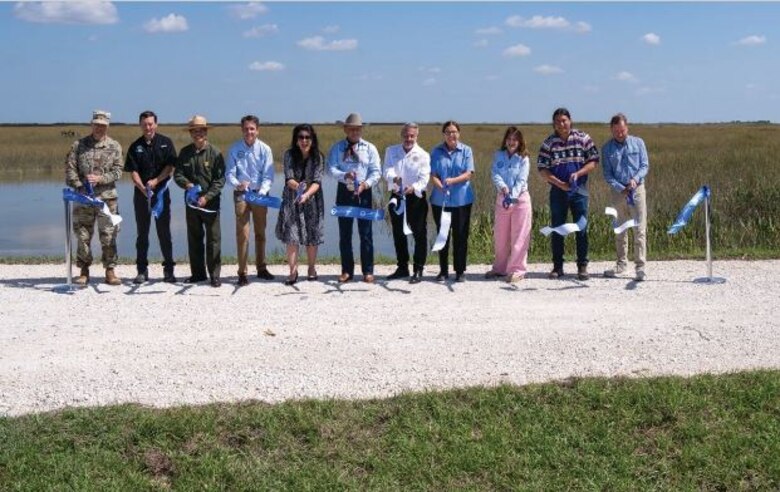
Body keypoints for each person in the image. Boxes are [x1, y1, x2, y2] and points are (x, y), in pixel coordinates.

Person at [537, 107, 599, 280]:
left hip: (579, 190)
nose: (561, 124)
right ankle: (557, 266)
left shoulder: (583, 138)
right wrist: (559, 183)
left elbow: (593, 161)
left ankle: (582, 266)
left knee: (582, 227)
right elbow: (542, 169)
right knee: (557, 228)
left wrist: (579, 174)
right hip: (558, 191)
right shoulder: (548, 143)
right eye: (557, 122)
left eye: (564, 120)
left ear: (570, 120)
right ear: (554, 124)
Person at [64, 110, 124, 286]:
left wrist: (100, 179)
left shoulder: (115, 146)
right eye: (96, 124)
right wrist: (80, 186)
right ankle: (84, 271)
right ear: (91, 124)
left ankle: (110, 271)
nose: (99, 128)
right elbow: (70, 170)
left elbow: (118, 171)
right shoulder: (79, 145)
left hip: (107, 199)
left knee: (109, 235)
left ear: (107, 126)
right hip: (84, 199)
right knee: (83, 235)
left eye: (103, 125)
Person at [124, 110, 177, 284]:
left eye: (150, 124)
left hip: (161, 194)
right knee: (142, 234)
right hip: (141, 196)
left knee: (164, 233)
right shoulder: (135, 146)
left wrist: (156, 181)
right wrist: (141, 187)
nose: (148, 127)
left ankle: (168, 270)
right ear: (140, 125)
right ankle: (141, 270)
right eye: (144, 124)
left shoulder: (166, 142)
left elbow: (170, 167)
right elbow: (133, 171)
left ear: (156, 124)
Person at [327, 112, 381, 283]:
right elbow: (331, 169)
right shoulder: (337, 148)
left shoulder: (370, 148)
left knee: (366, 233)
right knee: (345, 234)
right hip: (344, 192)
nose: (354, 132)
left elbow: (376, 172)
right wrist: (345, 176)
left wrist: (366, 184)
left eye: (357, 129)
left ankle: (368, 270)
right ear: (345, 129)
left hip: (364, 192)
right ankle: (347, 270)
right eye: (351, 129)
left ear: (361, 130)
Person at [173, 115, 226, 288]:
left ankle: (214, 275)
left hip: (210, 204)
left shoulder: (215, 152)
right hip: (192, 203)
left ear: (206, 132)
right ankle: (197, 273)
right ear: (191, 133)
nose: (198, 134)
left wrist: (207, 197)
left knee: (213, 240)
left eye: (201, 131)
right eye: (195, 131)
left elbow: (220, 180)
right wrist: (187, 185)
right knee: (194, 238)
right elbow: (178, 174)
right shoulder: (185, 153)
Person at [225, 115, 276, 286]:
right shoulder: (234, 149)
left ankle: (261, 268)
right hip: (242, 195)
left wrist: (261, 192)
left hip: (260, 195)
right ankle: (242, 272)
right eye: (246, 129)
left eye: (252, 129)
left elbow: (269, 176)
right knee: (243, 234)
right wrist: (237, 184)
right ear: (242, 130)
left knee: (260, 233)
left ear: (257, 130)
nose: (249, 132)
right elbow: (230, 174)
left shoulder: (265, 149)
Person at [601, 113, 649, 281]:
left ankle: (640, 267)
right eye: (616, 131)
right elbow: (607, 174)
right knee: (620, 229)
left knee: (639, 229)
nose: (619, 134)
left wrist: (635, 180)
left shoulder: (639, 143)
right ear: (611, 130)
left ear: (627, 127)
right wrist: (620, 187)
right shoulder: (606, 149)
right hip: (618, 193)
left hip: (637, 190)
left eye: (622, 130)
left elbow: (644, 165)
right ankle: (621, 264)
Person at [275, 124, 325, 285]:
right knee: (292, 235)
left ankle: (311, 268)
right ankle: (293, 271)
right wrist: (299, 189)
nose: (304, 140)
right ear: (296, 140)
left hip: (313, 199)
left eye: (307, 137)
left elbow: (317, 181)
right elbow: (288, 178)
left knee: (312, 234)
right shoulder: (289, 155)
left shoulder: (318, 156)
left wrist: (307, 194)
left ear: (312, 139)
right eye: (301, 137)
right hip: (292, 199)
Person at [383, 122, 430, 284]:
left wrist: (413, 188)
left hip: (415, 197)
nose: (408, 138)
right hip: (396, 196)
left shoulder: (423, 154)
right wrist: (393, 177)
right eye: (406, 135)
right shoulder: (391, 151)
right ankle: (402, 267)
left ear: (417, 136)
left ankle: (418, 268)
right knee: (398, 232)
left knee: (419, 234)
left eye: (412, 136)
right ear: (401, 135)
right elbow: (386, 170)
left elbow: (424, 179)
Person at [485, 126, 533, 283]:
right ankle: (500, 268)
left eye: (515, 140)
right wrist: (504, 189)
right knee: (501, 236)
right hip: (502, 199)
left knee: (519, 236)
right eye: (509, 139)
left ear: (519, 142)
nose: (511, 142)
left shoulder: (524, 158)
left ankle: (517, 269)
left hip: (520, 200)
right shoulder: (498, 155)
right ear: (505, 140)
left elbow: (521, 180)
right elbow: (495, 173)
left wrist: (512, 196)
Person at [430, 120, 475, 283]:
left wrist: (453, 180)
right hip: (440, 201)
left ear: (459, 133)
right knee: (443, 236)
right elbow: (433, 174)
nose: (451, 135)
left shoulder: (466, 151)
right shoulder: (436, 151)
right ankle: (443, 270)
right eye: (448, 132)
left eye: (454, 131)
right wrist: (439, 185)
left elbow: (468, 174)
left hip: (462, 201)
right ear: (444, 134)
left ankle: (460, 270)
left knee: (460, 236)